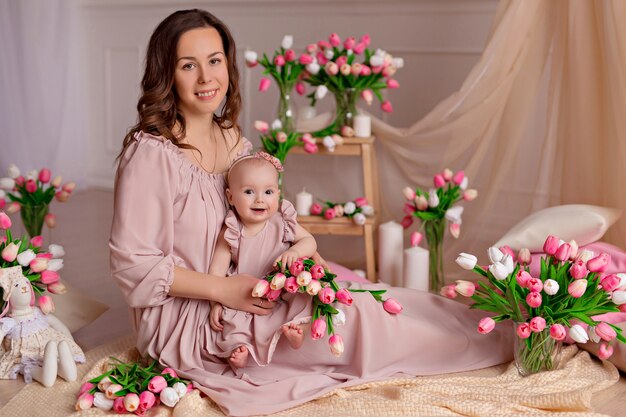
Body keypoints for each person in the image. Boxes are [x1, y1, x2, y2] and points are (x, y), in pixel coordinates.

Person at [109, 9, 513, 417]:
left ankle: (503, 324)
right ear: (167, 74)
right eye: (188, 65)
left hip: (253, 284)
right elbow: (133, 267)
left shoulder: (229, 137)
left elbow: (260, 217)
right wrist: (223, 289)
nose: (206, 78)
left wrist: (301, 250)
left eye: (214, 61)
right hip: (194, 322)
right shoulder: (150, 154)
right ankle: (500, 341)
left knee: (367, 297)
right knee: (357, 327)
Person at [207, 152, 316, 369]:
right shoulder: (231, 229)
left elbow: (309, 241)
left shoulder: (282, 221)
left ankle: (297, 329)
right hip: (246, 293)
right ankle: (240, 347)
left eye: (268, 192)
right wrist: (216, 301)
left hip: (284, 288)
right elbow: (217, 271)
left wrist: (296, 251)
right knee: (231, 319)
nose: (259, 199)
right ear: (230, 198)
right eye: (249, 192)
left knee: (303, 297)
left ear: (278, 193)